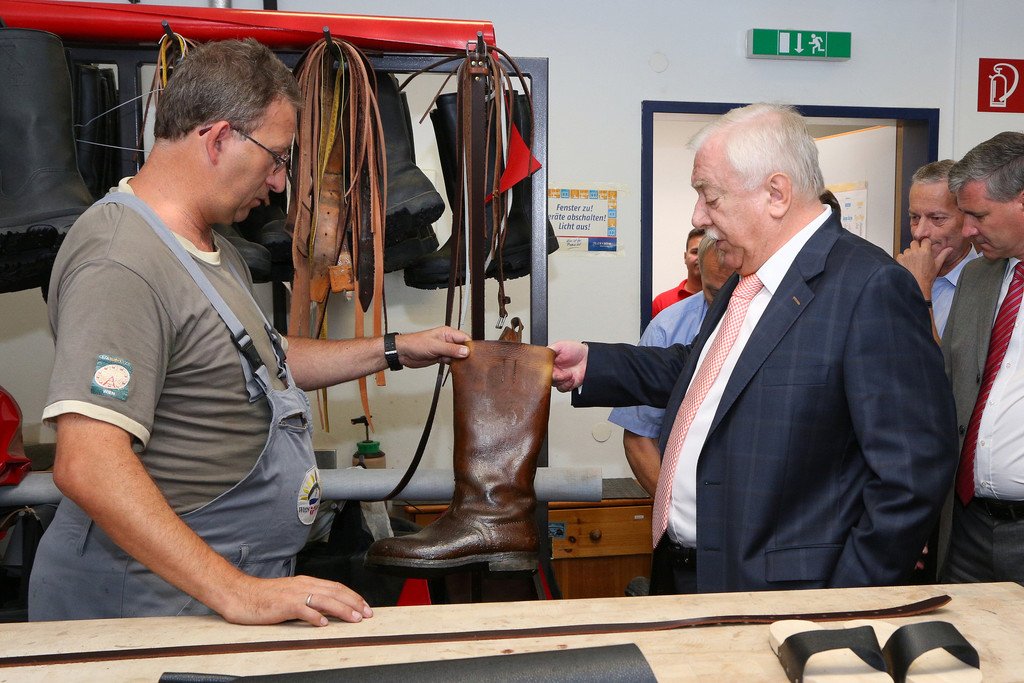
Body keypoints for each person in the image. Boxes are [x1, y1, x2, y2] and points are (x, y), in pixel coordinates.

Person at [28, 39, 469, 625]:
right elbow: (88, 463)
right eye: (277, 157)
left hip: (216, 580)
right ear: (217, 139)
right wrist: (238, 591)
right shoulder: (121, 260)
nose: (281, 182)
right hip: (148, 598)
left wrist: (393, 349)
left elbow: (263, 361)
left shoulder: (214, 249)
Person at [551, 103, 957, 595]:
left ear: (776, 194)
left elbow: (911, 474)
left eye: (710, 197)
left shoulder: (869, 287)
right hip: (685, 574)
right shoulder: (747, 279)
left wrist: (844, 600)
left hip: (787, 597)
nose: (698, 216)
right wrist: (594, 363)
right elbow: (702, 371)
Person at [942, 131, 1024, 584]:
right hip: (966, 527)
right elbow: (947, 384)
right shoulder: (977, 277)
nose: (967, 231)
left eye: (978, 215)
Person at [609, 234, 735, 496]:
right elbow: (639, 437)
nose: (728, 304)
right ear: (700, 272)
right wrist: (675, 508)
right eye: (715, 293)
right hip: (685, 492)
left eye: (737, 290)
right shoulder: (667, 329)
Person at [896, 160, 979, 340]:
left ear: (967, 218)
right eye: (915, 217)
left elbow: (940, 359)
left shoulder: (987, 285)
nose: (919, 233)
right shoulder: (899, 275)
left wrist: (920, 289)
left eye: (937, 218)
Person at [651, 227, 705, 317]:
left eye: (705, 252)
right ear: (685, 257)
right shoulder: (662, 302)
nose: (700, 257)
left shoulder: (724, 300)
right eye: (695, 252)